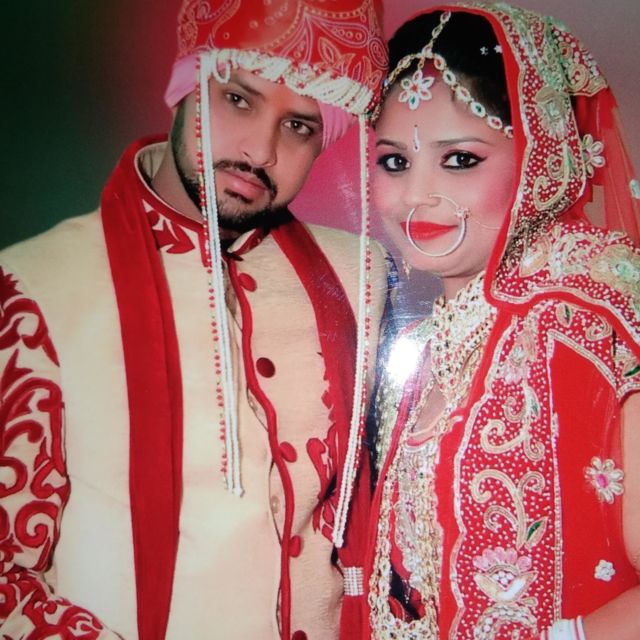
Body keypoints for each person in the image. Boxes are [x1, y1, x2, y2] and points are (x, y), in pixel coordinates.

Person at [0, 1, 390, 638]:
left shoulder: (361, 277)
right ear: (185, 87)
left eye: (299, 126)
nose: (260, 150)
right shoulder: (37, 286)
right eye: (238, 100)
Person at [362, 4, 640, 639]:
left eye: (460, 159)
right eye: (395, 161)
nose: (417, 195)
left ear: (539, 156)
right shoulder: (424, 341)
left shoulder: (592, 325)